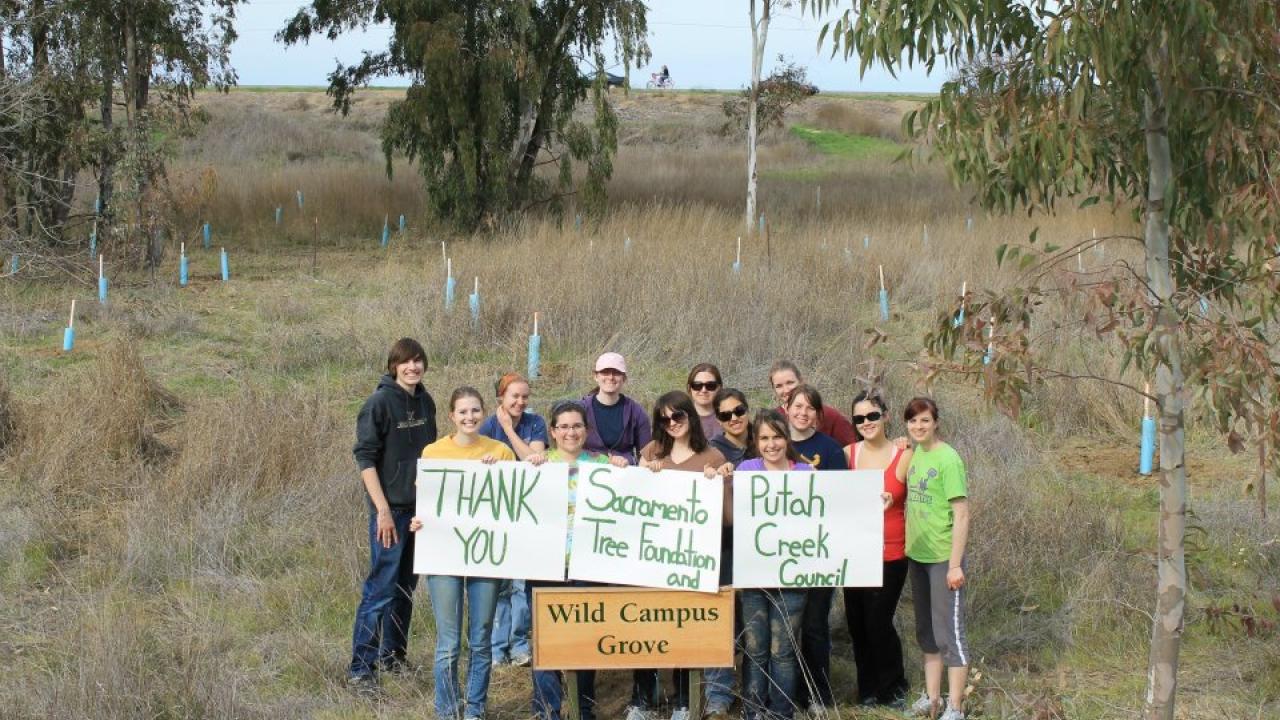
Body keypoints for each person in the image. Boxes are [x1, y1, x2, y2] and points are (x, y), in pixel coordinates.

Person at [412, 386, 516, 720]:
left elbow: (512, 502)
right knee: (449, 643)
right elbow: (427, 502)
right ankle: (446, 709)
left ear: (483, 412)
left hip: (486, 555)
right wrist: (418, 521)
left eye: (475, 411)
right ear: (451, 416)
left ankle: (475, 709)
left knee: (481, 639)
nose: (469, 417)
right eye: (463, 412)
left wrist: (497, 473)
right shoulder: (433, 452)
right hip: (444, 554)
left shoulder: (500, 451)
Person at [347, 337, 438, 694]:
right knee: (380, 590)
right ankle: (361, 668)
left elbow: (432, 456)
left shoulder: (426, 402)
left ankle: (394, 657)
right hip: (391, 515)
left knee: (404, 590)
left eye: (418, 361)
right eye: (406, 362)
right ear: (393, 365)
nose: (412, 367)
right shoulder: (378, 403)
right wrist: (382, 511)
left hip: (420, 514)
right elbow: (365, 460)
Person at [527, 400, 628, 720]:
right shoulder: (538, 465)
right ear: (553, 432)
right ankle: (548, 709)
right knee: (546, 641)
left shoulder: (602, 465)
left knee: (586, 640)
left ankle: (583, 707)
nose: (571, 432)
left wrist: (623, 469)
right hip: (546, 565)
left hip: (589, 565)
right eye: (564, 427)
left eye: (577, 426)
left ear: (587, 430)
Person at [638, 391, 728, 720]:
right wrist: (642, 472)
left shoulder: (713, 457)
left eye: (678, 416)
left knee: (683, 629)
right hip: (653, 561)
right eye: (665, 419)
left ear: (691, 416)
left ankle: (683, 702)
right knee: (647, 631)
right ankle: (643, 700)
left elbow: (726, 519)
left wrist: (717, 483)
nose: (672, 424)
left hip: (691, 565)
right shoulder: (651, 452)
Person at [735, 410, 812, 720]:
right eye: (764, 438)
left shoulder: (806, 473)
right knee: (755, 650)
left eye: (777, 436)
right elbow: (734, 514)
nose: (771, 444)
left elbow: (829, 515)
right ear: (756, 441)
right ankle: (753, 712)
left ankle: (781, 713)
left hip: (793, 578)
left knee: (783, 652)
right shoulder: (746, 470)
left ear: (787, 438)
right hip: (753, 577)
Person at [898, 397, 971, 720]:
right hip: (918, 555)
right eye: (913, 422)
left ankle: (955, 707)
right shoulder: (913, 455)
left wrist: (955, 564)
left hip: (943, 557)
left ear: (935, 422)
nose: (918, 427)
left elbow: (962, 514)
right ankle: (932, 699)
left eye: (924, 421)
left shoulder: (948, 459)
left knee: (948, 634)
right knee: (926, 633)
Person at [842, 391, 911, 708]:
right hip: (854, 554)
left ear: (885, 415)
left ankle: (894, 686)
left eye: (872, 415)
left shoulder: (904, 455)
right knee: (857, 624)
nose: (866, 422)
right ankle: (867, 689)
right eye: (859, 418)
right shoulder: (847, 455)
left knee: (878, 621)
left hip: (891, 553)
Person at [783, 384, 846, 716]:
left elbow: (841, 500)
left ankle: (819, 696)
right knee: (788, 627)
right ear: (787, 408)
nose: (802, 413)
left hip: (820, 551)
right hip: (782, 552)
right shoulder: (777, 443)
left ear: (818, 415)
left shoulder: (832, 450)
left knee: (815, 626)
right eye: (797, 406)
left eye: (809, 408)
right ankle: (790, 695)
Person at [480, 373, 548, 668]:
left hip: (526, 513)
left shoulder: (536, 423)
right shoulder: (486, 425)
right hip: (496, 514)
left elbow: (534, 460)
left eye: (524, 397)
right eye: (514, 396)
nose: (520, 402)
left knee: (521, 584)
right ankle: (497, 647)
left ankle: (520, 644)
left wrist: (508, 429)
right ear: (501, 398)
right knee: (500, 584)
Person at [703, 386, 753, 719]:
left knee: (754, 623)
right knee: (721, 620)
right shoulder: (712, 451)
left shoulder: (765, 440)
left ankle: (753, 692)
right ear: (718, 420)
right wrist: (710, 477)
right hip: (720, 545)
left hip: (758, 548)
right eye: (725, 415)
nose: (733, 418)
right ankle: (718, 695)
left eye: (738, 411)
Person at [582, 352, 651, 464]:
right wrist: (599, 460)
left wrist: (629, 461)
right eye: (605, 372)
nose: (611, 377)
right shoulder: (580, 410)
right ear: (595, 376)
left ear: (624, 378)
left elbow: (646, 456)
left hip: (624, 475)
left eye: (617, 373)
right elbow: (567, 449)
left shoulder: (637, 413)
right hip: (586, 473)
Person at [768, 360, 858, 446]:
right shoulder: (772, 419)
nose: (786, 390)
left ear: (801, 381)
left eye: (790, 383)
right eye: (779, 386)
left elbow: (853, 448)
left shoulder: (829, 415)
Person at [686, 363, 724, 439]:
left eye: (710, 386)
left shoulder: (730, 416)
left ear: (719, 388)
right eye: (697, 385)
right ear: (689, 388)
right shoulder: (677, 418)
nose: (704, 390)